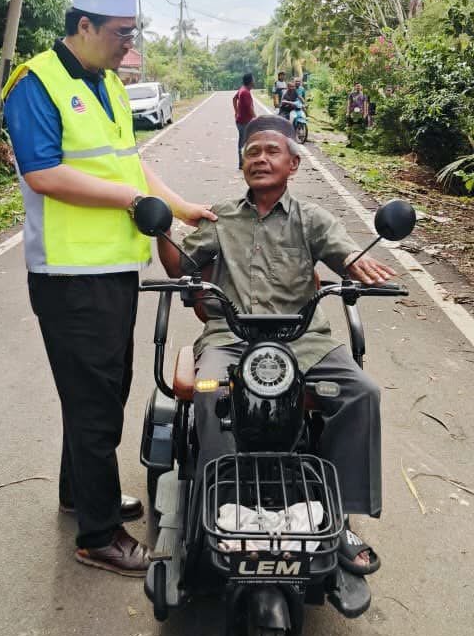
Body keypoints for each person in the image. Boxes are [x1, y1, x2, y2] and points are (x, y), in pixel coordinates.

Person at [2, 0, 215, 578]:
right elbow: (43, 174)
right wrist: (128, 204)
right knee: (95, 401)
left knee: (105, 390)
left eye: (133, 34)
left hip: (115, 270)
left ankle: (81, 493)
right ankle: (99, 534)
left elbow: (131, 166)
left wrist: (177, 206)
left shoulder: (111, 86)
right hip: (70, 277)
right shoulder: (36, 83)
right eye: (121, 34)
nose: (129, 45)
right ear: (85, 26)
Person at [157, 115, 396, 572]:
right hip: (230, 338)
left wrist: (354, 264)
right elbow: (179, 266)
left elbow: (342, 250)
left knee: (362, 393)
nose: (260, 159)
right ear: (242, 164)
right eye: (252, 152)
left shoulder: (312, 220)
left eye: (271, 152)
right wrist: (160, 226)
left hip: (303, 340)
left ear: (293, 164)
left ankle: (340, 516)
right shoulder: (222, 216)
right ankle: (224, 509)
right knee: (209, 393)